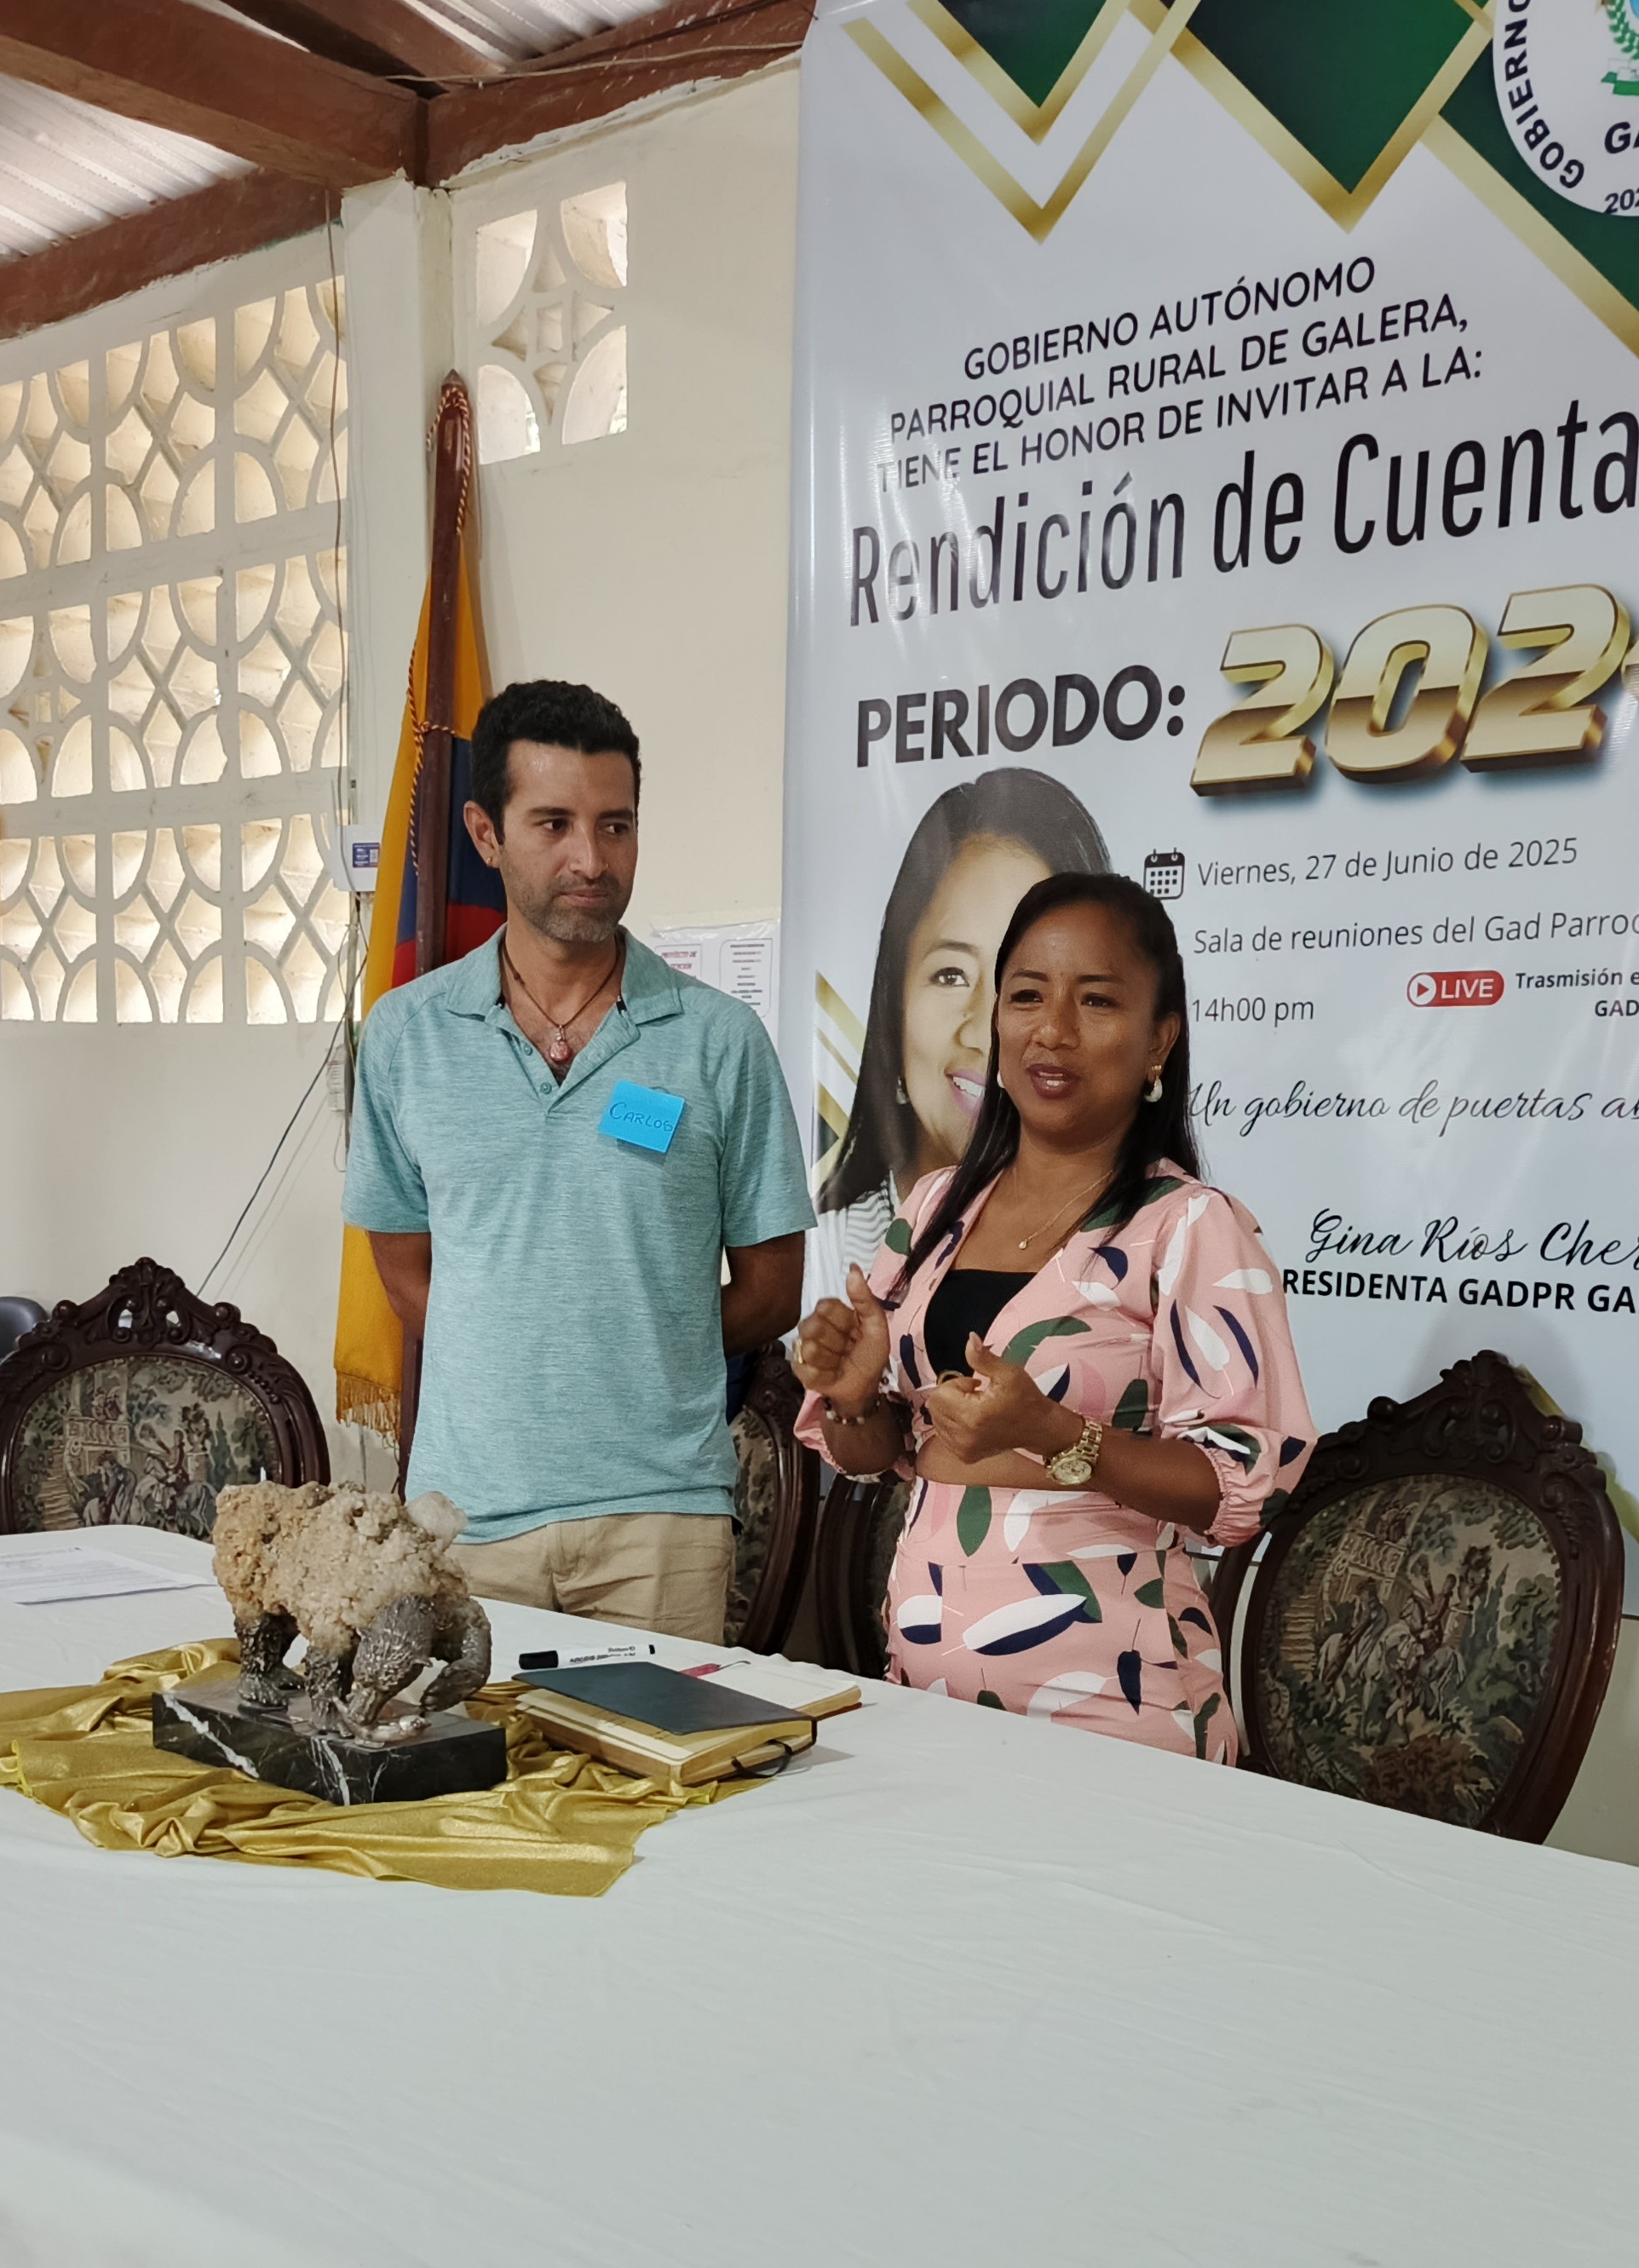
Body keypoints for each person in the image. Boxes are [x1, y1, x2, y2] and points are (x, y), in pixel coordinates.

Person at [793, 873, 1316, 1759]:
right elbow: (885, 1451)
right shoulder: (932, 1210)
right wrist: (850, 1398)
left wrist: (1053, 1432)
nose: (1053, 1030)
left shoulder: (1189, 1226)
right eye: (1028, 995)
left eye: (1096, 1000)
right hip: (927, 1691)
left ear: (1159, 1040)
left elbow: (1241, 1487)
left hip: (1119, 1703)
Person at [345, 678, 813, 1640]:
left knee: (661, 1746)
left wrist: (634, 1345)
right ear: (486, 834)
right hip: (465, 1518)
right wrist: (521, 1349)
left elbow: (773, 1290)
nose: (591, 859)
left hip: (661, 1523)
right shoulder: (405, 1036)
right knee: (465, 1742)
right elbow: (403, 1272)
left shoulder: (720, 1042)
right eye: (554, 824)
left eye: (616, 826)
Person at [808, 770, 1108, 1306]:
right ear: (894, 1001)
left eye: (1027, 988)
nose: (984, 1031)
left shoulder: (1152, 1251)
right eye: (950, 975)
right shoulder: (815, 1261)